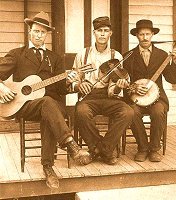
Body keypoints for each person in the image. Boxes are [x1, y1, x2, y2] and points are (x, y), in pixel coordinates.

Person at [0, 11, 92, 189]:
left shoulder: (54, 58)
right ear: (29, 31)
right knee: (48, 104)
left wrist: (71, 83)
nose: (39, 35)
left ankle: (48, 167)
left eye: (42, 32)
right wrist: (2, 87)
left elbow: (60, 88)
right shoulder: (17, 54)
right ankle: (70, 145)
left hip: (51, 105)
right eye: (36, 31)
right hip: (25, 105)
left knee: (49, 107)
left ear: (47, 34)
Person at [70, 16, 134, 165]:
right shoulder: (83, 54)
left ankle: (100, 149)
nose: (103, 34)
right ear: (94, 33)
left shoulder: (116, 56)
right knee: (81, 112)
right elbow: (74, 78)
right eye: (99, 31)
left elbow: (113, 90)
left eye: (106, 31)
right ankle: (104, 150)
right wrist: (79, 85)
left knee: (128, 112)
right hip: (88, 97)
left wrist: (119, 85)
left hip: (108, 97)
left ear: (110, 33)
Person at [123, 19, 176, 162]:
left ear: (152, 34)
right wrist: (134, 87)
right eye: (141, 34)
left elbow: (172, 79)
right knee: (132, 112)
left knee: (158, 112)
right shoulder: (129, 56)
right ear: (137, 36)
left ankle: (154, 149)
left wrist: (175, 62)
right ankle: (142, 148)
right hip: (136, 99)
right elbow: (124, 82)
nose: (145, 37)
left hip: (157, 99)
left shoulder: (162, 55)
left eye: (147, 34)